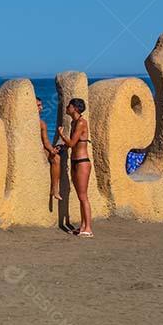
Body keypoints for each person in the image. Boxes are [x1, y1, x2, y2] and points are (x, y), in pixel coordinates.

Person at [56, 98, 93, 237]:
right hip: (74, 161)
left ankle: (88, 228)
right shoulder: (73, 122)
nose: (66, 107)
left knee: (83, 196)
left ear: (75, 108)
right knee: (79, 196)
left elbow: (72, 143)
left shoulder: (82, 122)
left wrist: (61, 135)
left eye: (69, 106)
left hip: (83, 161)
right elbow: (71, 144)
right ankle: (82, 226)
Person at [36, 98, 61, 201]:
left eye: (41, 105)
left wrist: (52, 150)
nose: (41, 108)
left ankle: (55, 189)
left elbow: (46, 141)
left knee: (56, 158)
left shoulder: (42, 124)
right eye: (38, 105)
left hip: (40, 148)